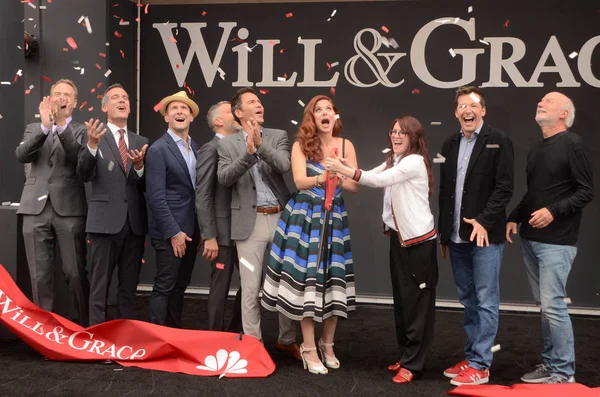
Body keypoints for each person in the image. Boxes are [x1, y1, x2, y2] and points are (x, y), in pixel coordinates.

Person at [326, 115, 436, 383]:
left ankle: (413, 363)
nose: (396, 136)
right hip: (400, 240)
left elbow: (377, 181)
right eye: (393, 132)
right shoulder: (395, 159)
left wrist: (345, 171)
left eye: (403, 133)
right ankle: (406, 356)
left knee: (417, 306)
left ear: (415, 137)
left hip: (418, 244)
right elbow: (373, 174)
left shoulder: (413, 162)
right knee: (402, 303)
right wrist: (344, 168)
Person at [262, 95, 358, 375]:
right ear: (312, 118)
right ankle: (308, 347)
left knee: (333, 280)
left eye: (329, 109)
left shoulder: (346, 145)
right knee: (309, 282)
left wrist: (341, 173)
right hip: (305, 218)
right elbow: (300, 181)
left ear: (335, 117)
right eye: (319, 110)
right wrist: (323, 176)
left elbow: (353, 187)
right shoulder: (301, 145)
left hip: (334, 218)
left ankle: (327, 343)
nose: (325, 113)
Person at [506, 92, 593, 384]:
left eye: (549, 101)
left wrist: (553, 212)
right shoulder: (537, 149)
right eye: (541, 100)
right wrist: (513, 217)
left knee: (553, 306)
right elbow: (534, 193)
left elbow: (586, 191)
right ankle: (551, 364)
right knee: (546, 307)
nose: (541, 103)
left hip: (557, 241)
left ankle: (563, 372)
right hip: (531, 239)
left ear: (564, 114)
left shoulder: (573, 144)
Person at [438, 86, 514, 386]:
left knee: (485, 300)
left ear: (483, 110)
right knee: (468, 300)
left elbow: (504, 187)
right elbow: (446, 193)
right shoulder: (450, 142)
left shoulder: (498, 140)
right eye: (461, 106)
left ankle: (481, 364)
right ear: (456, 112)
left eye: (472, 105)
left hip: (485, 238)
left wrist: (483, 220)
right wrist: (445, 234)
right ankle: (472, 356)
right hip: (457, 239)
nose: (466, 111)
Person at [217, 87, 300, 359]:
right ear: (239, 113)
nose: (259, 104)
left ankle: (287, 339)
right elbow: (224, 178)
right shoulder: (227, 144)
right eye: (252, 102)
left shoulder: (277, 136)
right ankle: (253, 345)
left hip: (280, 217)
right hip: (247, 224)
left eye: (260, 101)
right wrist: (248, 154)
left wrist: (260, 146)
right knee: (251, 288)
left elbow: (284, 165)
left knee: (285, 283)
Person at [15, 79, 89, 326]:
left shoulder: (80, 130)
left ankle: (82, 327)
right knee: (40, 275)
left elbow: (77, 157)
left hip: (69, 210)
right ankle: (44, 334)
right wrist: (45, 127)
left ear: (75, 102)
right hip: (34, 210)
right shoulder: (34, 127)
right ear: (48, 99)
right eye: (56, 94)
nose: (61, 98)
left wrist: (60, 125)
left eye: (67, 94)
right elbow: (22, 155)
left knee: (75, 272)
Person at [77, 84, 149, 326]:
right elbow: (83, 174)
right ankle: (97, 337)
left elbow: (145, 186)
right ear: (105, 107)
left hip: (134, 225)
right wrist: (92, 146)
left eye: (126, 98)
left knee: (128, 288)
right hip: (104, 225)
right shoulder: (95, 136)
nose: (123, 101)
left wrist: (139, 168)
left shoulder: (141, 141)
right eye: (116, 98)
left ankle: (124, 337)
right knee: (100, 286)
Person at [146, 91, 201, 327]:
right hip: (171, 233)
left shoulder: (194, 146)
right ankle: (158, 338)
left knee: (180, 286)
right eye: (174, 109)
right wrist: (174, 233)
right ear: (166, 117)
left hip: (191, 230)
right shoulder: (158, 149)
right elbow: (156, 197)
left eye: (184, 109)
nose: (180, 112)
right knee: (164, 285)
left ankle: (174, 334)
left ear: (191, 117)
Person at [196, 101, 242, 332]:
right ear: (218, 121)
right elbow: (202, 194)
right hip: (221, 236)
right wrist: (209, 236)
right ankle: (215, 339)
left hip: (244, 232)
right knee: (220, 289)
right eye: (230, 111)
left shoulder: (244, 146)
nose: (237, 114)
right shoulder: (210, 149)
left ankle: (236, 335)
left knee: (252, 285)